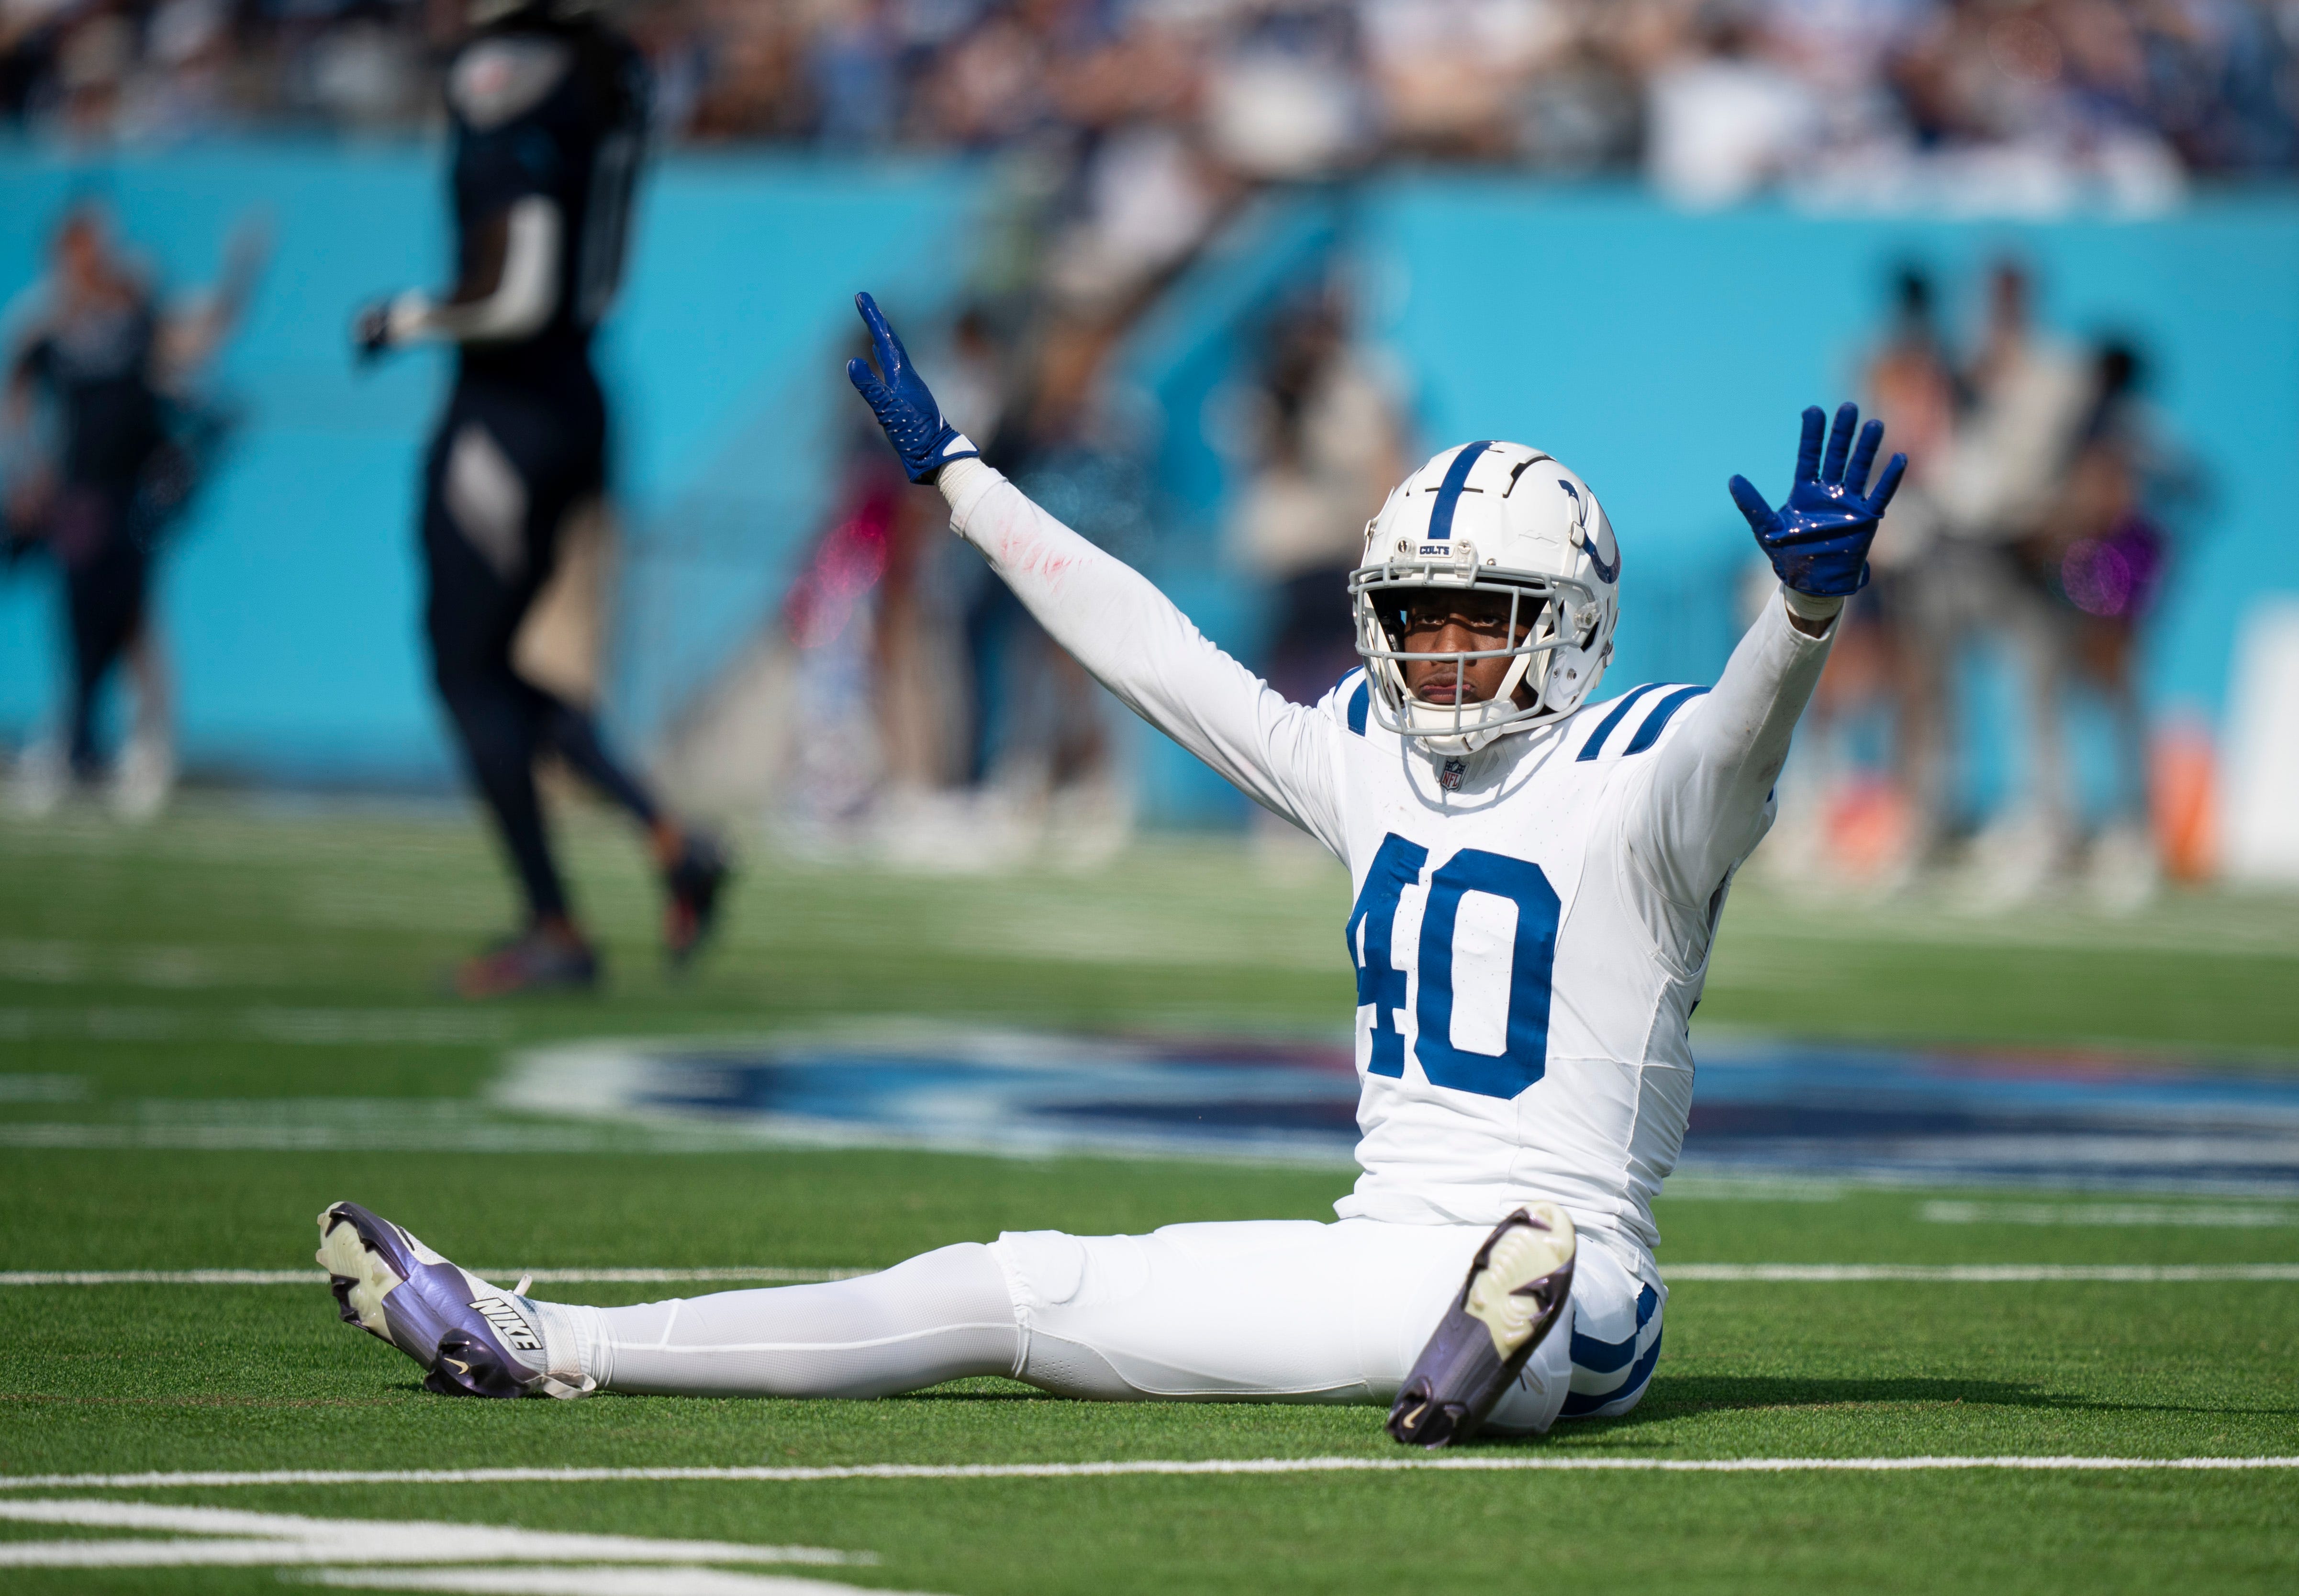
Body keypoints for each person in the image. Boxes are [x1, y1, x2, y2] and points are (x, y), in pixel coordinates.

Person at [313, 293, 1903, 1444]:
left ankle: (1514, 1327)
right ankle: (545, 1334)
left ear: (1567, 630)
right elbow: (1156, 650)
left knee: (1547, 1283)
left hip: (1586, 1272)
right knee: (1014, 1281)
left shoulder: (1651, 780)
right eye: (1410, 613)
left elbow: (1744, 742)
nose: (1428, 652)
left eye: (1469, 619)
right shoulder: (1363, 753)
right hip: (1380, 1257)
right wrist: (963, 480)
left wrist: (1801, 622)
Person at [352, 0, 725, 996]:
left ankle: (554, 924)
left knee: (468, 675)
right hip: (576, 401)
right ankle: (667, 836)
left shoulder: (511, 72)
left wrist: (405, 318)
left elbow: (517, 288)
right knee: (490, 670)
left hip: (506, 411)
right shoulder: (605, 70)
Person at [3, 200, 260, 821]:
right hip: (75, 498)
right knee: (78, 623)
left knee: (136, 620)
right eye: (86, 248)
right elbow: (18, 402)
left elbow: (199, 338)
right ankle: (74, 740)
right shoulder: (44, 324)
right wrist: (23, 473)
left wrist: (240, 273)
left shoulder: (135, 320)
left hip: (133, 498)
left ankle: (149, 744)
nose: (98, 260)